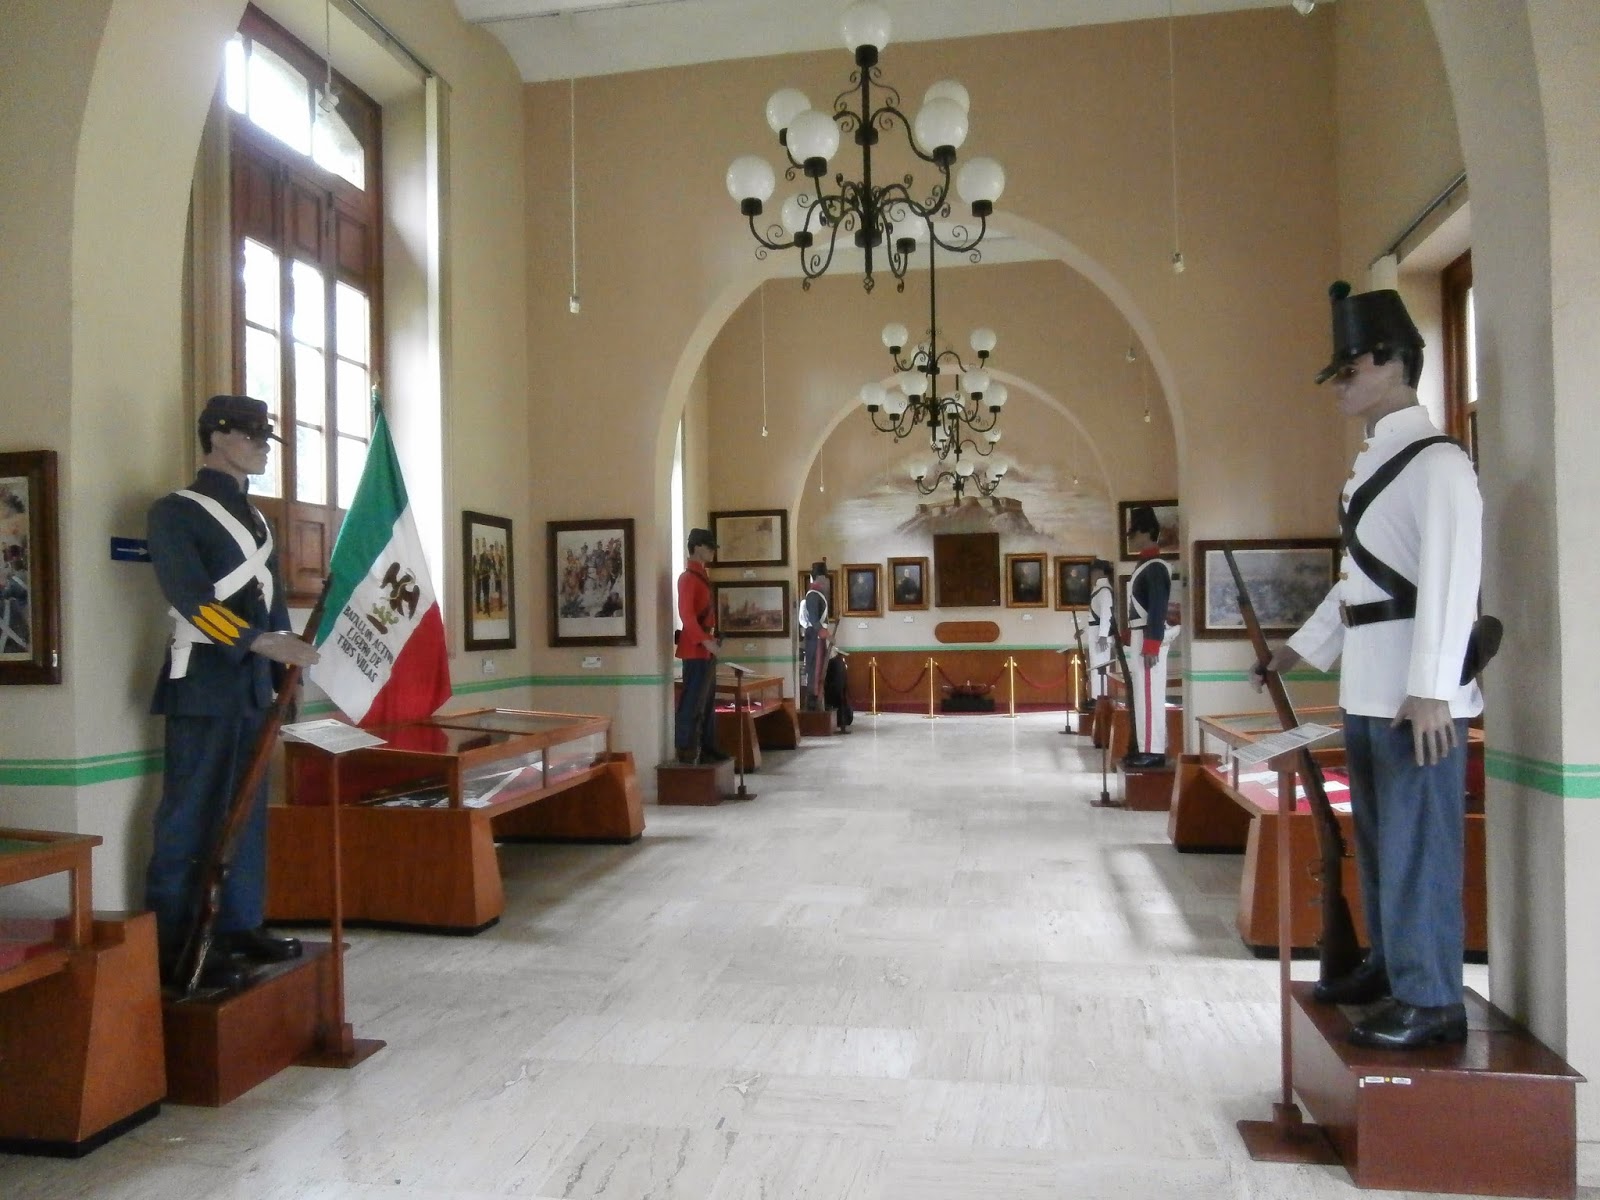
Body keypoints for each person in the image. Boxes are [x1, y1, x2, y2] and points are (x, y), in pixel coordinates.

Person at [1256, 283, 1483, 1050]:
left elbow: (1452, 581)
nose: (1343, 383)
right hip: (1370, 687)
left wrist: (1433, 689)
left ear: (1391, 360)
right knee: (1382, 843)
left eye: (1350, 367)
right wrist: (1301, 649)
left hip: (1417, 696)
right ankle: (1392, 967)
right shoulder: (1376, 463)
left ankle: (1432, 995)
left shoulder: (1437, 463)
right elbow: (1363, 582)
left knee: (1420, 845)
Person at [145, 394, 319, 992]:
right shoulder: (177, 512)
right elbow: (190, 599)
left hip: (249, 688)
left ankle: (240, 924)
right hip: (202, 683)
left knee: (246, 814)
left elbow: (269, 603)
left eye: (264, 437)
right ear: (217, 437)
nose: (262, 446)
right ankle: (178, 942)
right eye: (251, 436)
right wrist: (262, 646)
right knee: (191, 818)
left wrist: (278, 678)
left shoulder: (258, 520)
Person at [1122, 508, 1173, 769]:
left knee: (1150, 696)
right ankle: (1146, 746)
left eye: (1134, 533)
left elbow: (1157, 608)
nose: (1130, 538)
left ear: (1145, 532)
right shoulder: (1145, 564)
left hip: (1149, 637)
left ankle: (1153, 751)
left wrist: (1152, 643)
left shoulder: (1155, 567)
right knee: (1143, 696)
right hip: (1141, 635)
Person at [673, 527, 729, 765]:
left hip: (705, 648)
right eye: (709, 547)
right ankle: (687, 748)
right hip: (696, 649)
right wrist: (707, 642)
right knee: (693, 700)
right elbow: (687, 616)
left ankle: (707, 746)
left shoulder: (701, 576)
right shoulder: (687, 578)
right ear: (697, 547)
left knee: (706, 700)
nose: (712, 552)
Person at [797, 562, 829, 711]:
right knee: (814, 671)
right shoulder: (813, 595)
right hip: (815, 638)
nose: (826, 581)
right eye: (823, 577)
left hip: (817, 638)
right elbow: (814, 620)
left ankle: (816, 702)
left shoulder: (817, 594)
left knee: (818, 669)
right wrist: (826, 634)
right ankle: (813, 703)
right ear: (818, 578)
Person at [1085, 559, 1115, 704]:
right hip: (1096, 633)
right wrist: (1083, 631)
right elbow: (1093, 616)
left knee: (1101, 669)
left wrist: (1103, 635)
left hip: (1100, 637)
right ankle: (1096, 697)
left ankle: (1100, 699)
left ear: (1098, 572)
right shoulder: (1098, 589)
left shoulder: (1104, 591)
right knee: (1095, 669)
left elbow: (1106, 614)